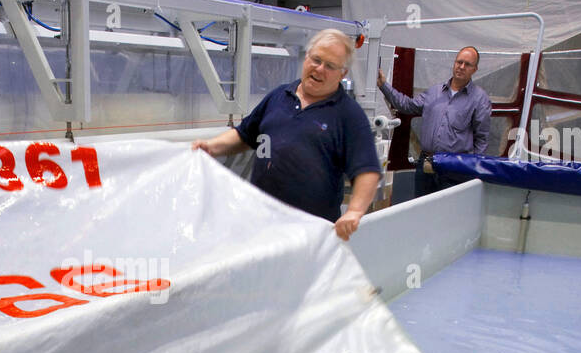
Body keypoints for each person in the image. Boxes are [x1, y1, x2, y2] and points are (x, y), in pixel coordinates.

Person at [192, 28, 380, 241]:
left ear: (342, 73)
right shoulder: (278, 96)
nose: (319, 69)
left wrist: (354, 211)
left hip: (311, 233)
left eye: (330, 66)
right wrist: (211, 147)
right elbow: (245, 134)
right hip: (260, 223)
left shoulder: (349, 114)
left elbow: (367, 170)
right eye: (316, 60)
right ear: (306, 58)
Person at [376, 46, 491, 197]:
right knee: (422, 210)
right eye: (459, 62)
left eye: (467, 64)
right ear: (454, 63)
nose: (462, 67)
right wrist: (383, 85)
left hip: (456, 169)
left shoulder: (479, 99)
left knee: (448, 214)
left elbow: (482, 139)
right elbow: (407, 105)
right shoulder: (434, 92)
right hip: (427, 163)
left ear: (475, 69)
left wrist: (472, 168)